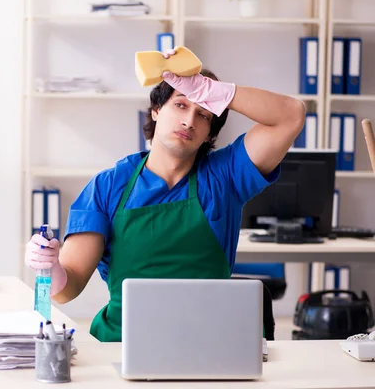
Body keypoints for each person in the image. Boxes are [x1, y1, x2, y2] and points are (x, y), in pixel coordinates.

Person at [24, 48, 306, 342]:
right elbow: (67, 289)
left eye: (204, 114)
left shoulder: (225, 177)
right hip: (123, 342)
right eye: (181, 105)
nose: (189, 121)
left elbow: (291, 115)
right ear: (156, 111)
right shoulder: (108, 187)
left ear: (210, 133)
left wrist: (208, 90)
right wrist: (50, 266)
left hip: (210, 345)